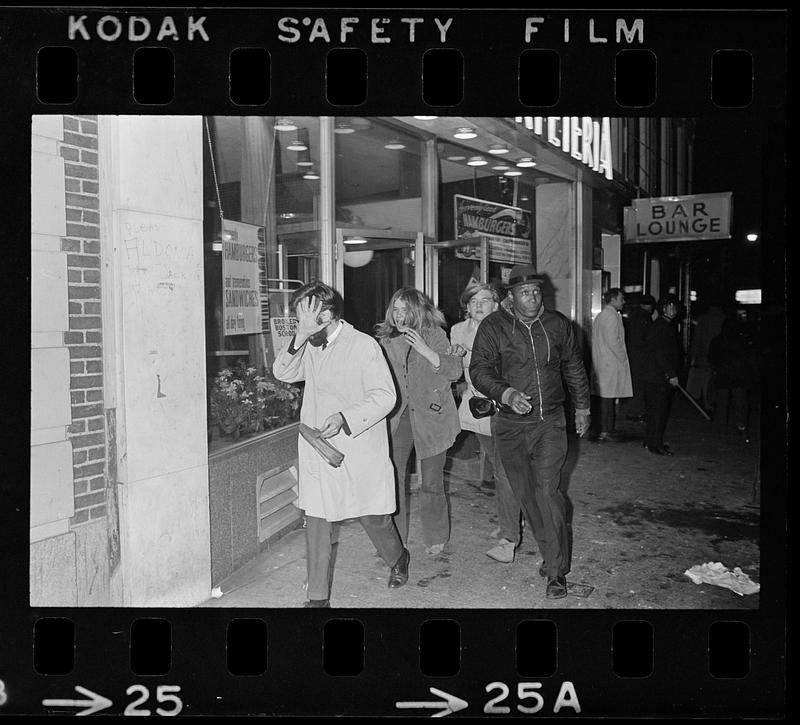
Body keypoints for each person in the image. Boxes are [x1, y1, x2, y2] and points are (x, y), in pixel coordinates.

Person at [273, 281, 409, 608]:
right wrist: (302, 335)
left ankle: (398, 557)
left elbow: (385, 396)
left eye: (308, 318)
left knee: (371, 517)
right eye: (299, 319)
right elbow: (282, 372)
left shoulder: (362, 346)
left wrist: (345, 417)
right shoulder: (311, 342)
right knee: (318, 520)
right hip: (319, 448)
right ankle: (317, 599)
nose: (302, 324)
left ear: (329, 315)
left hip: (357, 447)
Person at [470, 264, 591, 599]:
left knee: (548, 492)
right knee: (527, 494)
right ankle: (550, 549)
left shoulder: (557, 324)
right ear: (511, 296)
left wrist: (582, 407)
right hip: (509, 426)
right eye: (525, 292)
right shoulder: (494, 326)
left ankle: (556, 571)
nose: (533, 297)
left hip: (550, 422)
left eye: (537, 291)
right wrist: (505, 393)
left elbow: (573, 366)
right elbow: (478, 369)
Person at [376, 288, 462, 556]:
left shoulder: (434, 335)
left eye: (405, 310)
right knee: (394, 479)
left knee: (431, 481)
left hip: (432, 418)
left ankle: (436, 535)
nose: (400, 316)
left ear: (417, 311)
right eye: (396, 310)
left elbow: (454, 371)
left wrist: (425, 350)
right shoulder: (385, 340)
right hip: (399, 419)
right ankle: (396, 539)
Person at [450, 282, 524, 564]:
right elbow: (453, 371)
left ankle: (509, 537)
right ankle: (514, 519)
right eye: (472, 301)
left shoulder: (510, 328)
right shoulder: (458, 331)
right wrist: (453, 359)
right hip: (478, 408)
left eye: (485, 299)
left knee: (505, 471)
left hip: (504, 407)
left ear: (497, 304)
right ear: (466, 305)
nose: (478, 305)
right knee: (497, 466)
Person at [591, 288, 633, 441]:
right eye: (621, 298)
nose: (624, 301)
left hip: (605, 363)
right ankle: (606, 431)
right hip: (610, 363)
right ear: (613, 299)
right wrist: (622, 357)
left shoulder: (604, 315)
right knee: (607, 399)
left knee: (607, 398)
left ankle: (608, 429)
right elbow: (613, 342)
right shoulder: (611, 316)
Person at [642, 294, 681, 455]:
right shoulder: (661, 327)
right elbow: (661, 354)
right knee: (658, 411)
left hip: (655, 375)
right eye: (670, 306)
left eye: (675, 307)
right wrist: (671, 374)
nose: (674, 310)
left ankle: (651, 440)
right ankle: (655, 444)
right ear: (663, 308)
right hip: (658, 377)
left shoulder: (661, 326)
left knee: (654, 411)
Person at [708, 316, 757, 440]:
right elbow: (749, 359)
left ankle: (721, 429)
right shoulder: (742, 341)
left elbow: (712, 358)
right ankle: (741, 428)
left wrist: (716, 368)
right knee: (740, 404)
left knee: (722, 404)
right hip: (739, 377)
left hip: (723, 376)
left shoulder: (717, 341)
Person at [687, 302, 727, 413]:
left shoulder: (702, 319)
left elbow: (697, 339)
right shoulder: (724, 319)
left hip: (704, 353)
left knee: (705, 379)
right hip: (720, 354)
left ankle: (707, 402)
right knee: (716, 380)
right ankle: (717, 402)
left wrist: (693, 357)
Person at [623, 293, 656, 421]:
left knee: (634, 384)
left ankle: (633, 410)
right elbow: (648, 338)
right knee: (640, 385)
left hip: (632, 353)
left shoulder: (632, 316)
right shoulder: (645, 318)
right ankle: (636, 412)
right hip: (641, 355)